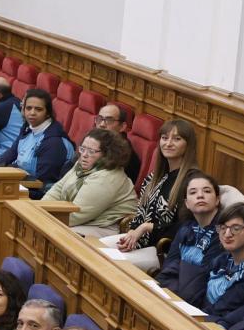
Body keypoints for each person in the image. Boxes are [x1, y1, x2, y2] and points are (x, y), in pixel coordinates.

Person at [115, 119, 202, 272]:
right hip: (141, 242)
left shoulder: (193, 182)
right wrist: (132, 233)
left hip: (164, 251)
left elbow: (187, 228)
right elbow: (140, 213)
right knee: (97, 250)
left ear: (188, 145)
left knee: (112, 263)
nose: (168, 143)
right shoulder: (154, 177)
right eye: (164, 138)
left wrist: (146, 227)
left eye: (177, 139)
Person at [43, 129, 137, 238]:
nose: (84, 155)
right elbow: (58, 189)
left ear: (107, 154)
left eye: (91, 151)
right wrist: (39, 208)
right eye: (82, 149)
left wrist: (43, 217)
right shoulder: (83, 164)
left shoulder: (108, 177)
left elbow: (77, 214)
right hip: (83, 221)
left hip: (105, 228)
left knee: (55, 233)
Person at [152, 172, 227, 302]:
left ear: (217, 200)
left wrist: (180, 269)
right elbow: (169, 266)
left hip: (202, 300)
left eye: (207, 191)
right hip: (178, 292)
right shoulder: (185, 228)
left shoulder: (224, 231)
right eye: (193, 192)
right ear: (187, 203)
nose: (200, 195)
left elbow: (202, 277)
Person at [0, 88, 74, 189]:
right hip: (21, 182)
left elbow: (42, 182)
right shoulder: (27, 128)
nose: (32, 113)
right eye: (28, 108)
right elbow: (12, 153)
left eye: (38, 109)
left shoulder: (54, 142)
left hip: (37, 193)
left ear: (48, 113)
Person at [93, 104, 142, 181]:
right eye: (99, 119)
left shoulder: (122, 152)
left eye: (109, 120)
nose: (102, 124)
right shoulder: (94, 139)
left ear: (122, 126)